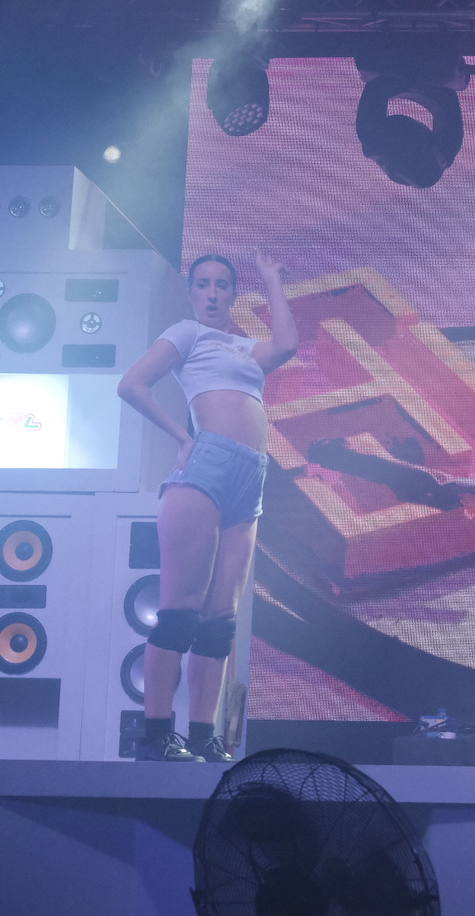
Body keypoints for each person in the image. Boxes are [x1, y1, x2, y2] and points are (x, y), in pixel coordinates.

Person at [118, 250, 298, 762]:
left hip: (251, 480)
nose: (213, 293)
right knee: (180, 612)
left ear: (233, 293)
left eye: (222, 285)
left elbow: (287, 343)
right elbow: (131, 384)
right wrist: (183, 434)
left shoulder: (245, 347)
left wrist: (272, 280)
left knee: (221, 619)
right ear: (193, 291)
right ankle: (155, 734)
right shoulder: (186, 333)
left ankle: (203, 736)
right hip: (207, 469)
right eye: (204, 285)